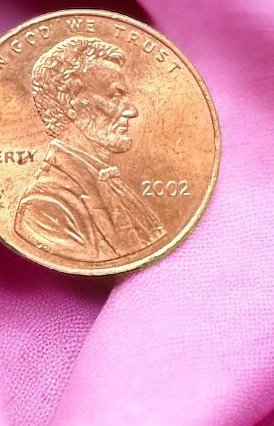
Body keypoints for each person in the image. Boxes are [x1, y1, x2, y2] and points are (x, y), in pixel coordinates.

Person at [14, 36, 165, 261]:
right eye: (115, 96)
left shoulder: (112, 183)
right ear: (71, 105)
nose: (131, 111)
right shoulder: (43, 207)